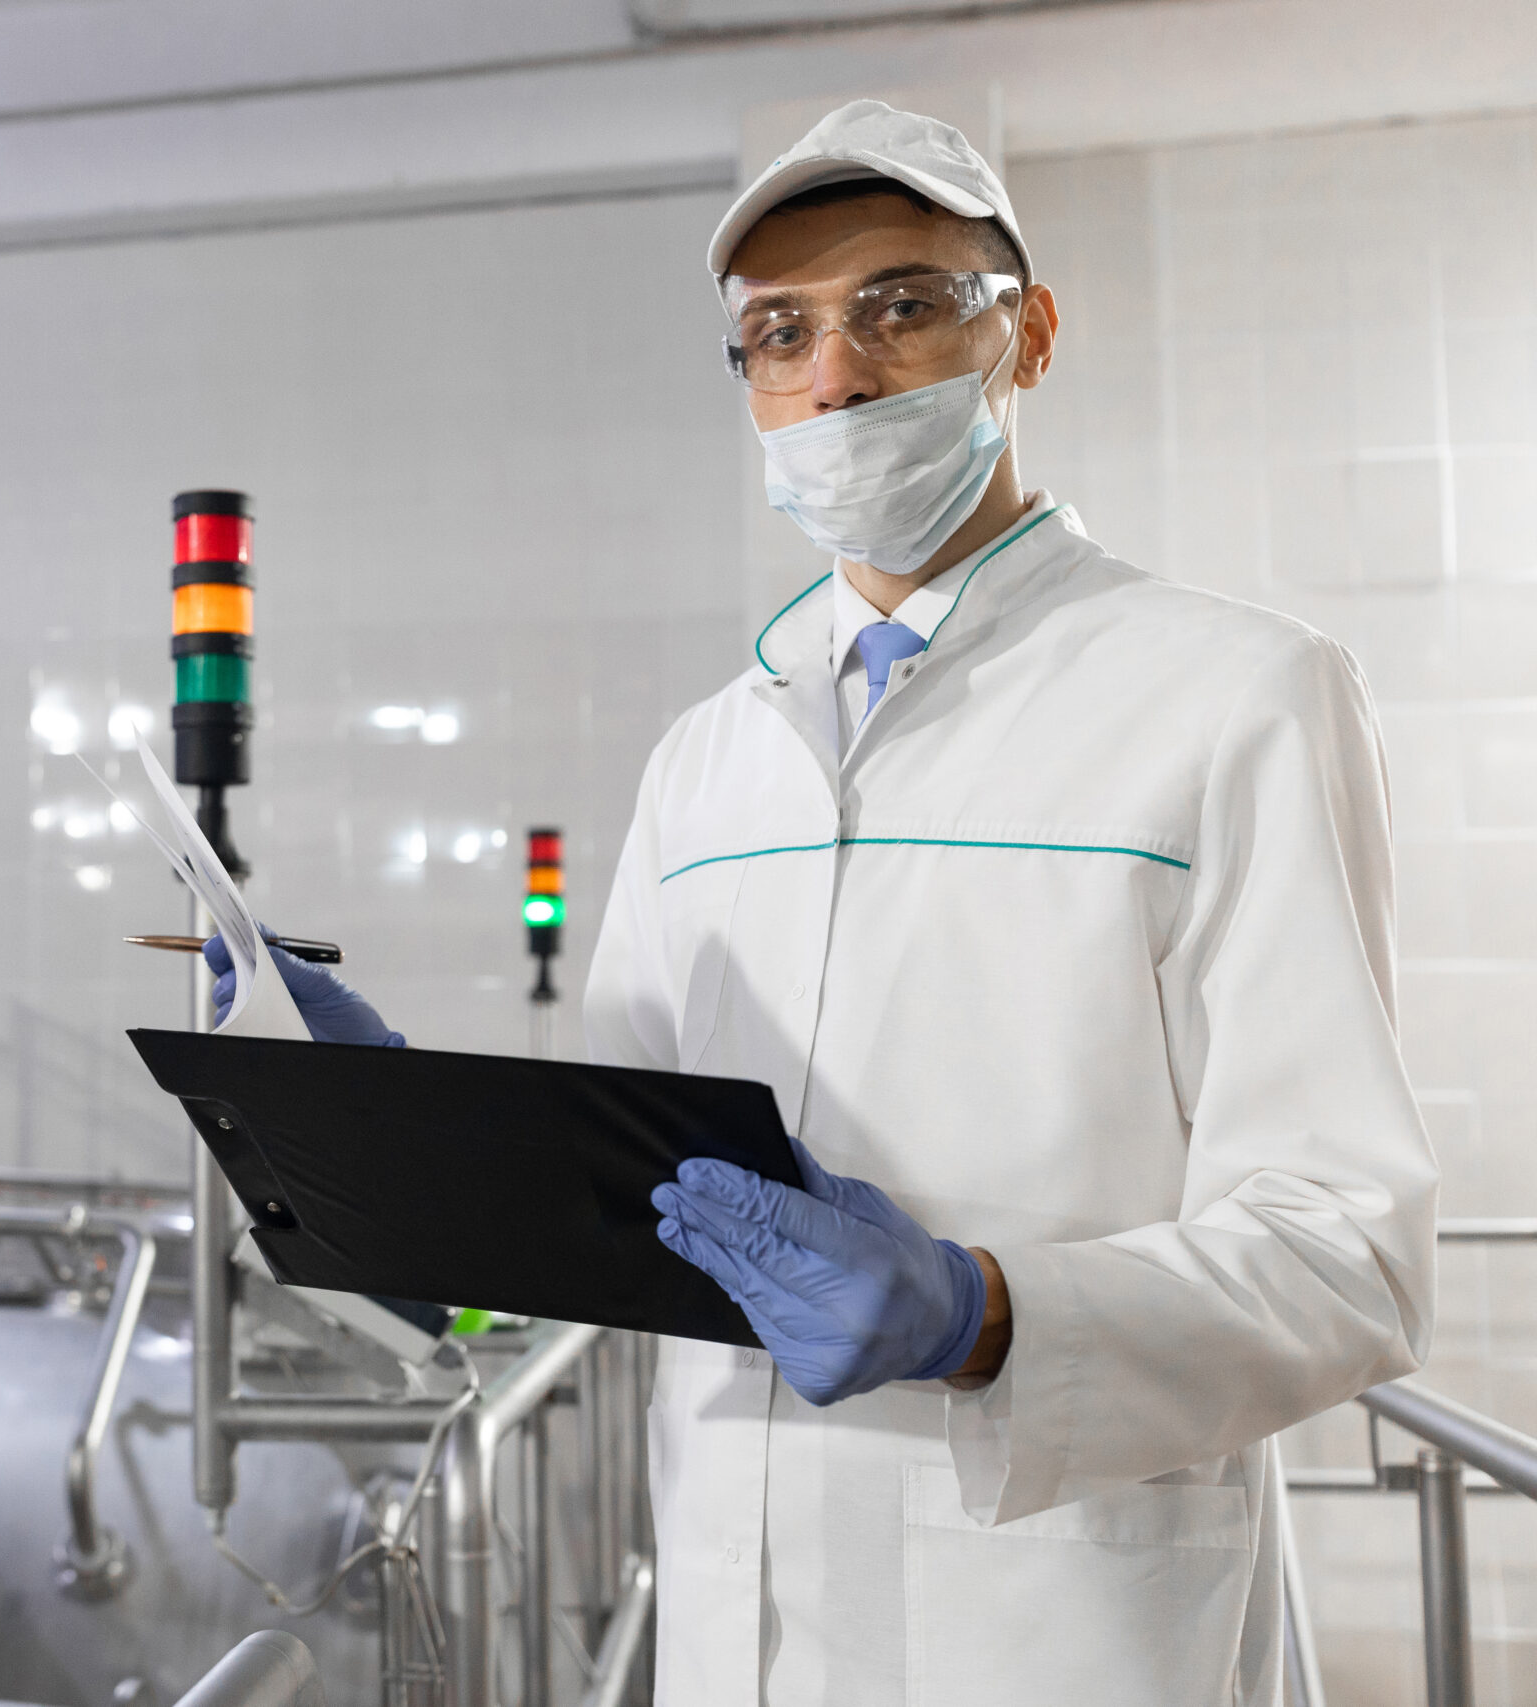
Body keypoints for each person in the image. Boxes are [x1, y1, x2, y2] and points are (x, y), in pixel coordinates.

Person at [213, 101, 1436, 1704]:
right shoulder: (708, 762)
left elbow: (1349, 1256)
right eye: (781, 333)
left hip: (1065, 1634)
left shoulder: (1235, 698)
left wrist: (985, 1314)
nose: (837, 377)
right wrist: (383, 1147)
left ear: (1028, 336)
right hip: (741, 1627)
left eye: (901, 305)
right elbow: (613, 1201)